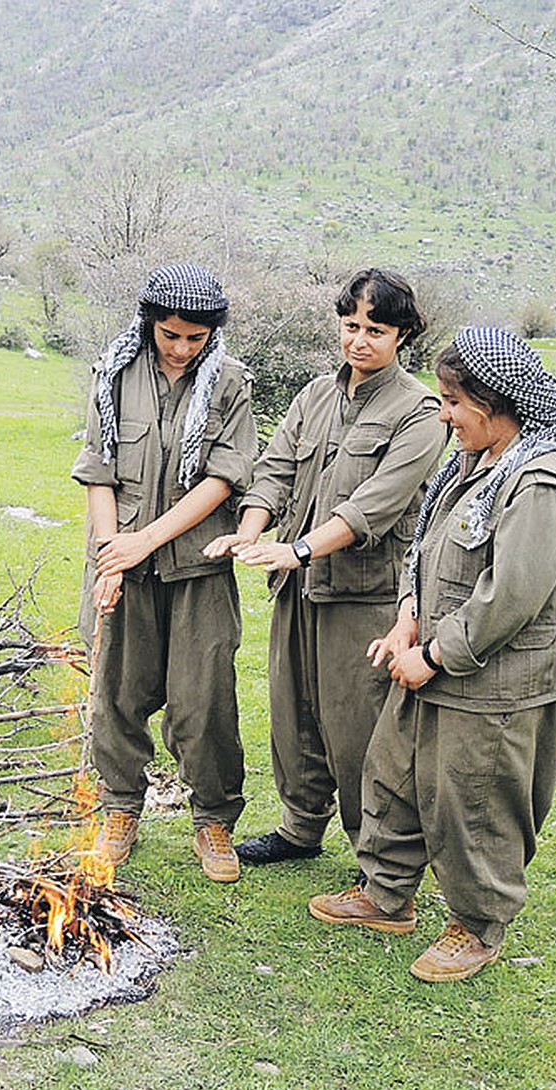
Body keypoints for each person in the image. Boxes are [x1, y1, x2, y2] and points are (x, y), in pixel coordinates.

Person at [308, 327, 556, 982]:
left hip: (495, 680)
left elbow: (512, 597)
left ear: (495, 401)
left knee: (475, 800)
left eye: (452, 401)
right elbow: (427, 548)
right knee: (394, 773)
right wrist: (408, 621)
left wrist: (437, 656)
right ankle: (386, 896)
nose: (442, 414)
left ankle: (477, 925)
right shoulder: (474, 462)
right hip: (433, 660)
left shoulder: (541, 480)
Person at [204, 268, 443, 866]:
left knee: (360, 732)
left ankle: (380, 862)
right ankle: (299, 829)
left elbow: (376, 505)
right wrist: (250, 532)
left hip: (363, 597)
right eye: (351, 325)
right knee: (293, 718)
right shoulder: (315, 395)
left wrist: (300, 548)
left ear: (403, 336)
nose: (359, 340)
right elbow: (276, 470)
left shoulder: (420, 412)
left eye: (376, 329)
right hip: (296, 587)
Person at [71, 263, 257, 882]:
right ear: (150, 322)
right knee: (118, 695)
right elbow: (99, 471)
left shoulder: (231, 384)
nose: (181, 348)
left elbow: (223, 479)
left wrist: (144, 542)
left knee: (203, 699)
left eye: (195, 338)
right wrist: (110, 555)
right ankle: (121, 806)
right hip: (121, 561)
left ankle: (212, 819)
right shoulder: (114, 375)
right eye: (170, 334)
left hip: (196, 565)